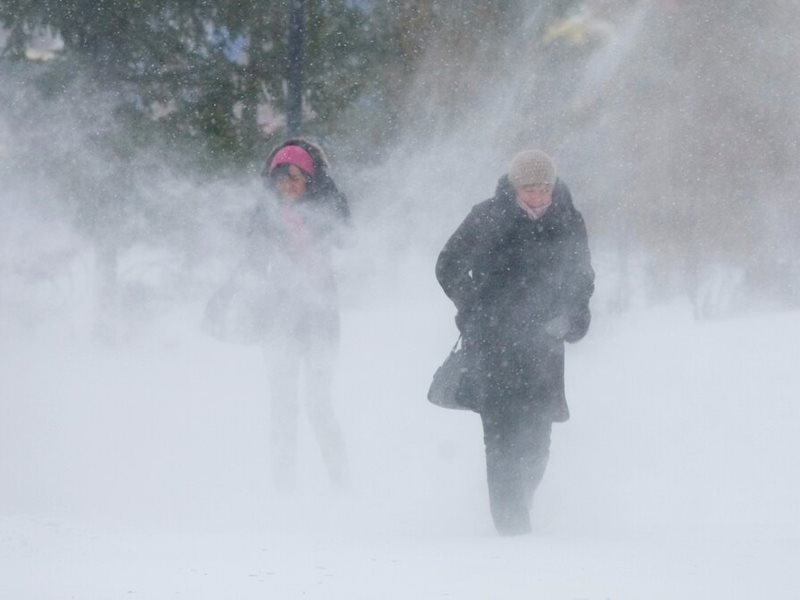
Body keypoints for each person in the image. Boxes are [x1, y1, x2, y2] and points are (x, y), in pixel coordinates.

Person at [435, 149, 594, 535]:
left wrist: (573, 316)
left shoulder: (568, 220)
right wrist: (474, 308)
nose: (538, 196)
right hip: (494, 347)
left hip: (544, 347)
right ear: (514, 187)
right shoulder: (486, 216)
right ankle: (512, 533)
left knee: (537, 445)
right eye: (529, 189)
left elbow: (582, 277)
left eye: (544, 189)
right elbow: (447, 264)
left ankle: (520, 507)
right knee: (501, 440)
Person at [247, 138, 352, 490]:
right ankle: (284, 489)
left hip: (320, 322)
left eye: (296, 177)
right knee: (282, 408)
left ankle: (341, 485)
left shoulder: (329, 206)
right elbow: (252, 260)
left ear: (310, 179)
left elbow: (346, 243)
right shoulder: (264, 214)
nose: (289, 186)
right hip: (278, 323)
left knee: (319, 406)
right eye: (282, 178)